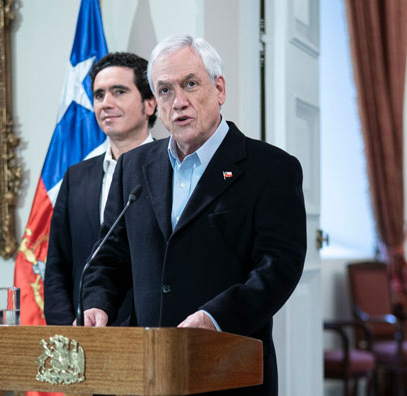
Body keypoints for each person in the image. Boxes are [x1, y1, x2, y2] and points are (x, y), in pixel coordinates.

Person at [80, 34, 306, 395]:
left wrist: (215, 318)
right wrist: (97, 303)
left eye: (190, 84)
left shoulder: (271, 168)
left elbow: (279, 266)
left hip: (229, 367)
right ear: (155, 101)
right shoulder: (133, 167)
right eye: (166, 90)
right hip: (146, 371)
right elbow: (109, 256)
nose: (179, 102)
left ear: (219, 89)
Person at [44, 52, 157, 326]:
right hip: (86, 338)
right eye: (98, 95)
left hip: (152, 336)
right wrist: (67, 332)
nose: (106, 103)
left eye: (119, 92)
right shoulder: (76, 177)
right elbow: (58, 267)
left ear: (150, 104)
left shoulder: (172, 168)